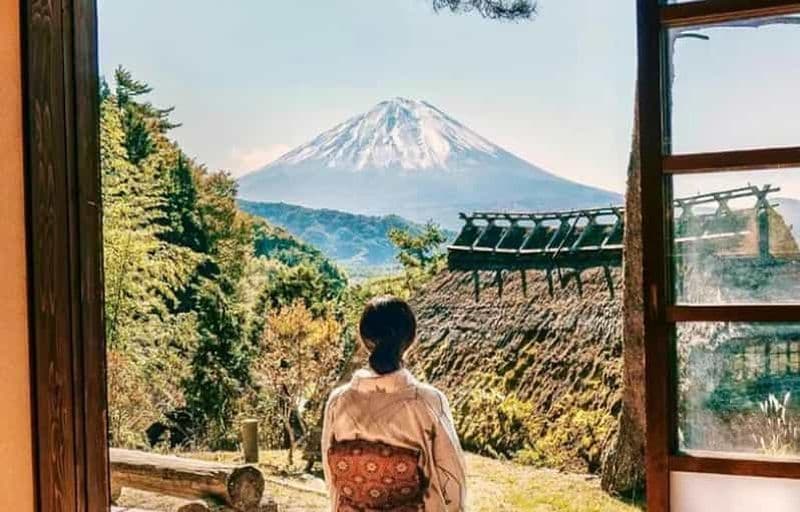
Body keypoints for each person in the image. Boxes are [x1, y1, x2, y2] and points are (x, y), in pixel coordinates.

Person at [321, 296, 467, 512]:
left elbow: (332, 480)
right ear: (410, 338)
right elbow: (452, 482)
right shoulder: (427, 402)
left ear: (364, 339)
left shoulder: (338, 402)